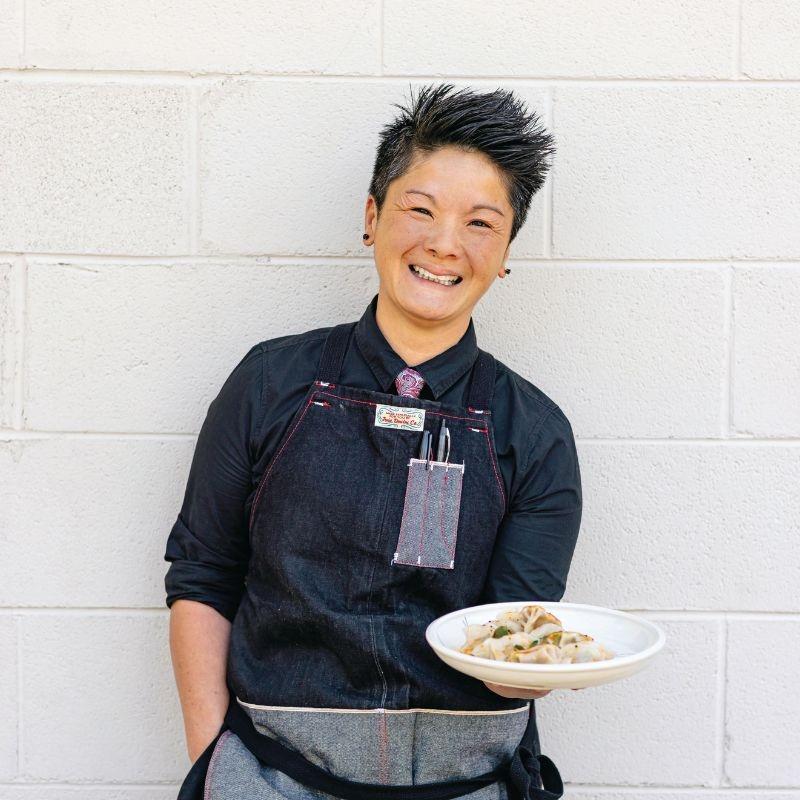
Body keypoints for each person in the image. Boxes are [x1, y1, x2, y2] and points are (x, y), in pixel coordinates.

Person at [164, 82, 582, 800]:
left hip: (468, 782)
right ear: (372, 217)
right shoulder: (270, 384)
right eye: (420, 209)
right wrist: (212, 769)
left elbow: (513, 635)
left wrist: (539, 660)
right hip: (271, 774)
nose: (444, 244)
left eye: (481, 223)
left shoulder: (534, 433)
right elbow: (202, 578)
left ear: (507, 250)